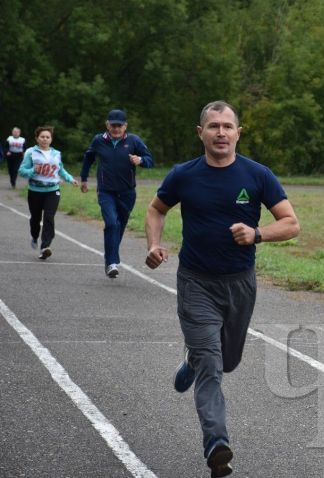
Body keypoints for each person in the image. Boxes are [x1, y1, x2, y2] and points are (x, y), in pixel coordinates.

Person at [144, 100, 299, 478]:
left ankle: (192, 361)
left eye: (227, 126)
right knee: (213, 367)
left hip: (239, 284)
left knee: (227, 361)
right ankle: (217, 443)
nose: (220, 133)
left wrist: (257, 233)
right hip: (196, 281)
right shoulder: (184, 175)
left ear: (238, 133)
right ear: (201, 133)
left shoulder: (257, 175)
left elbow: (291, 223)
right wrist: (153, 244)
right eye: (213, 126)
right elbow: (155, 210)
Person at [80, 109, 153, 278]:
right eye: (113, 125)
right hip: (106, 191)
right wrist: (84, 179)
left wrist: (140, 160)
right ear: (107, 125)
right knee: (112, 223)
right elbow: (88, 158)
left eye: (119, 126)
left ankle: (110, 257)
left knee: (119, 226)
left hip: (127, 193)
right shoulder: (99, 140)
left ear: (125, 126)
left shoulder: (134, 141)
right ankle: (112, 262)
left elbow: (150, 160)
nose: (116, 129)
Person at [18, 126, 78, 259]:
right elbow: (22, 171)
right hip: (35, 191)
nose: (45, 139)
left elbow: (60, 170)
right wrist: (33, 170)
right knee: (35, 218)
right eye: (42, 137)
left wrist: (70, 179)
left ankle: (45, 246)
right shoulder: (31, 152)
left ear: (51, 139)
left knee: (49, 218)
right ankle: (34, 236)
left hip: (52, 190)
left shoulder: (56, 153)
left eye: (47, 137)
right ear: (37, 138)